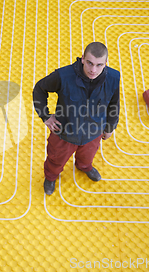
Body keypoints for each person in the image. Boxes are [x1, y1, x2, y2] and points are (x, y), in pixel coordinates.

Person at [33, 42, 120, 195]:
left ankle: (84, 166)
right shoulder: (63, 76)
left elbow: (114, 103)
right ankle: (51, 177)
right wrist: (45, 116)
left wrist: (110, 127)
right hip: (64, 133)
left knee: (88, 157)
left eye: (99, 65)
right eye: (90, 63)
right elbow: (39, 89)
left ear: (105, 63)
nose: (93, 70)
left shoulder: (113, 77)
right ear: (82, 59)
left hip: (94, 133)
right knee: (55, 159)